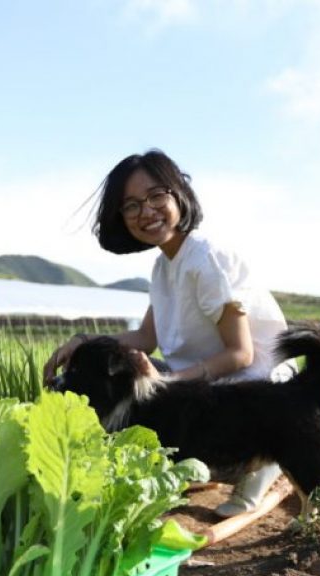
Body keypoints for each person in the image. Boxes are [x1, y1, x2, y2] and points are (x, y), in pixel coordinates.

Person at [43, 149, 290, 518]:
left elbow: (241, 354)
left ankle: (265, 458)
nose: (146, 211)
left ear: (178, 194)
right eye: (131, 206)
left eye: (156, 196)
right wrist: (82, 344)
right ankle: (200, 464)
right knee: (116, 381)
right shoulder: (164, 266)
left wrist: (167, 381)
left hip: (254, 397)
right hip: (209, 388)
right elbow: (145, 339)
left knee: (147, 395)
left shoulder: (205, 259)